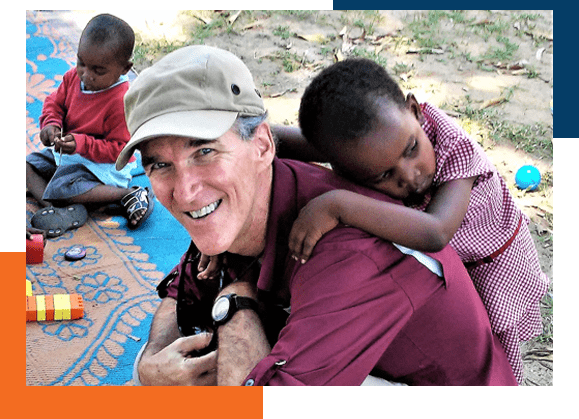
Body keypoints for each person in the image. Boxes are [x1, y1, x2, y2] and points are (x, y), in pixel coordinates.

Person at [115, 44, 517, 386]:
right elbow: (181, 292)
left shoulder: (353, 253)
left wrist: (237, 305)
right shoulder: (243, 195)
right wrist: (153, 359)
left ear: (261, 147)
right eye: (159, 165)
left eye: (204, 151)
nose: (185, 191)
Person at [273, 58, 550, 385]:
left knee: (490, 350)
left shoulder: (454, 148)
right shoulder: (362, 148)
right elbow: (279, 138)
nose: (411, 175)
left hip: (493, 261)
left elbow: (436, 232)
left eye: (412, 149)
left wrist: (338, 205)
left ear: (415, 110)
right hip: (448, 265)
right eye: (383, 175)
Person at [26, 13, 154, 237]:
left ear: (125, 69)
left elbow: (119, 150)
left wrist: (81, 144)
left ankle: (128, 193)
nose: (86, 74)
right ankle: (54, 209)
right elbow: (54, 103)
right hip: (69, 156)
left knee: (64, 187)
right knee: (26, 166)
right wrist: (51, 125)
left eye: (98, 70)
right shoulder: (73, 78)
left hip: (103, 167)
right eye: (81, 63)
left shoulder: (121, 101)